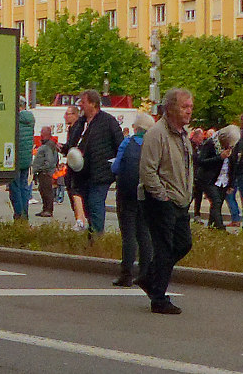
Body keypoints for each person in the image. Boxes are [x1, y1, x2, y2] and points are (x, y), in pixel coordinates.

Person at [137, 89, 196, 315]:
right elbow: (147, 170)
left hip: (180, 201)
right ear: (170, 108)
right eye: (184, 107)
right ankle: (158, 298)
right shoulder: (157, 134)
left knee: (183, 244)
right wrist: (162, 196)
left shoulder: (183, 134)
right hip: (160, 201)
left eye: (190, 106)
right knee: (164, 248)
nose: (189, 110)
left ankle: (149, 278)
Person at [63, 91, 121, 233]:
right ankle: (91, 237)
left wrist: (112, 166)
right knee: (86, 206)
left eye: (83, 102)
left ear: (93, 104)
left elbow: (120, 145)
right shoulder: (80, 123)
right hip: (81, 174)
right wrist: (65, 150)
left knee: (95, 205)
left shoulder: (108, 121)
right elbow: (71, 145)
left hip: (100, 174)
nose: (80, 105)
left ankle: (97, 238)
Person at [112, 112, 154, 287]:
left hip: (126, 193)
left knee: (128, 234)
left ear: (136, 128)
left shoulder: (127, 142)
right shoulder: (153, 145)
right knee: (144, 233)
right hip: (146, 194)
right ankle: (145, 273)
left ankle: (126, 274)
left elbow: (115, 167)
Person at [191, 128, 227, 229]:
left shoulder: (225, 147)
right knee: (211, 200)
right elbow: (200, 160)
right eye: (199, 138)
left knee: (216, 201)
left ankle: (212, 224)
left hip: (217, 179)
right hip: (203, 177)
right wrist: (219, 157)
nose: (201, 140)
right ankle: (218, 226)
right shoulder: (209, 144)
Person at [10, 101, 36, 220]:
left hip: (15, 159)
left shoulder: (15, 120)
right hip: (26, 159)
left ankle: (19, 213)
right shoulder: (30, 120)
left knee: (15, 187)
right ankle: (25, 212)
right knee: (24, 186)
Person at [33, 127, 61, 218]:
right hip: (45, 172)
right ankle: (45, 209)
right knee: (43, 190)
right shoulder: (49, 145)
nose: (40, 134)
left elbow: (49, 160)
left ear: (47, 134)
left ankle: (48, 210)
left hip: (45, 172)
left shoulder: (48, 146)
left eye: (42, 133)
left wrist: (42, 168)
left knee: (46, 191)